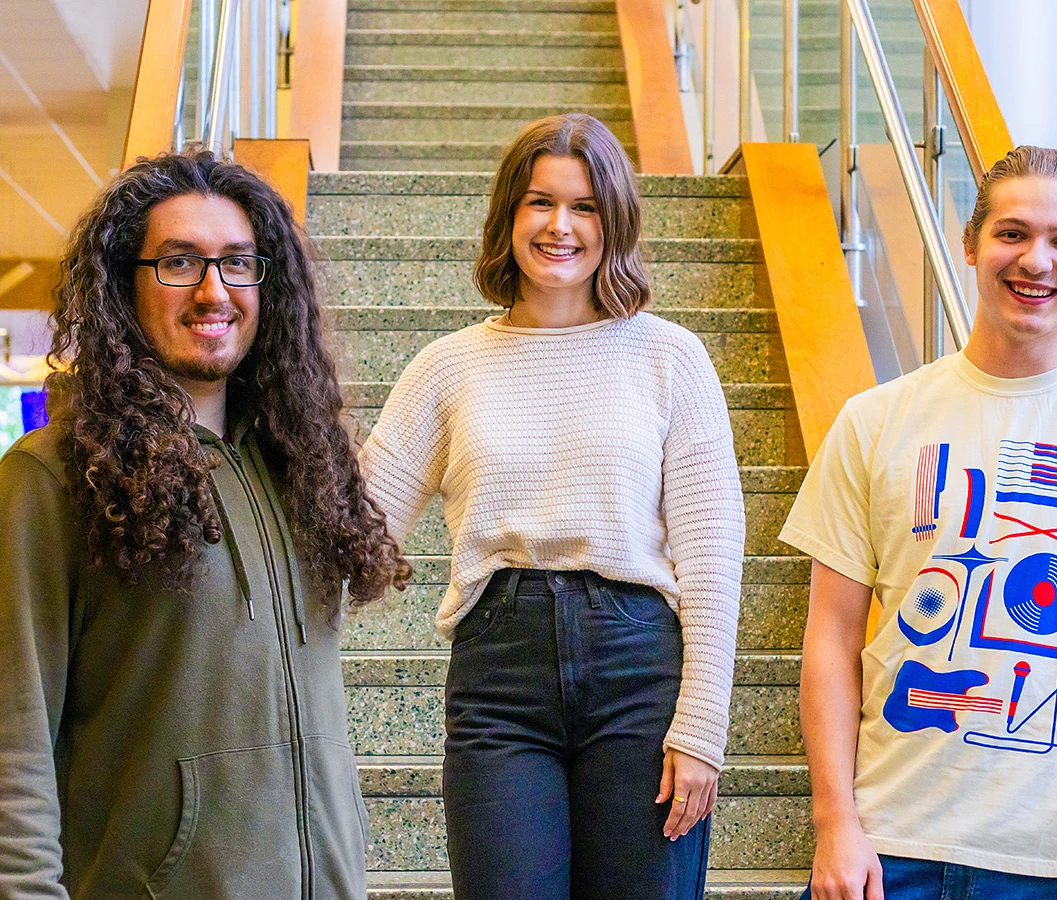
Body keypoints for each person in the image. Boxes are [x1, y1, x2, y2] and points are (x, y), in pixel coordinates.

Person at [781, 146, 1057, 900]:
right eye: (1012, 233)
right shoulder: (875, 419)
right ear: (970, 245)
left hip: (1053, 857)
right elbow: (832, 640)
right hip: (886, 847)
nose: (1035, 261)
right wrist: (834, 822)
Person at [0, 149, 408, 899]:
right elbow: (11, 746)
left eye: (237, 263)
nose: (213, 290)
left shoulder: (303, 471)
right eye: (179, 263)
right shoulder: (52, 478)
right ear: (126, 284)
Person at [359, 113, 745, 900]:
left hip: (641, 672)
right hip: (501, 677)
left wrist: (701, 729)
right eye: (540, 203)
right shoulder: (448, 367)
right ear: (509, 215)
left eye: (585, 206)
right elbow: (355, 533)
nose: (560, 226)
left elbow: (711, 556)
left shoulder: (670, 357)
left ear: (615, 222)